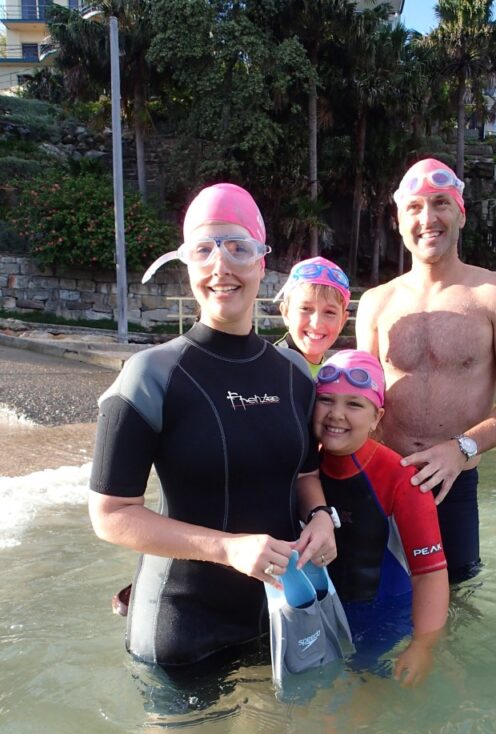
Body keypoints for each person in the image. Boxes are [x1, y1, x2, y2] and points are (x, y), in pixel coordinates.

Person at [88, 183, 338, 674]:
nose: (221, 265)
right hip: (182, 624)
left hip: (278, 616)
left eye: (237, 247)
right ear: (187, 265)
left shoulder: (293, 374)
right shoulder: (150, 375)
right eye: (204, 250)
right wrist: (227, 548)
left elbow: (306, 474)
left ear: (262, 262)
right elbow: (111, 515)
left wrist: (322, 516)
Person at [356, 158, 496, 584]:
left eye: (440, 203)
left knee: (456, 605)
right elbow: (363, 402)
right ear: (399, 221)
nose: (428, 219)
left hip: (452, 485)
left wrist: (461, 449)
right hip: (382, 481)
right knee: (373, 601)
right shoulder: (375, 302)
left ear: (461, 213)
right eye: (414, 207)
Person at [313, 349, 449, 687]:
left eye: (354, 404)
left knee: (364, 705)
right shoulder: (303, 467)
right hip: (322, 613)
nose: (336, 414)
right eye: (326, 400)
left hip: (384, 618)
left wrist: (422, 646)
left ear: (377, 417)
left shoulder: (401, 479)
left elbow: (430, 573)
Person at [273, 256, 350, 377]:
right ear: (286, 313)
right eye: (305, 309)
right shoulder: (269, 368)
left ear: (342, 321)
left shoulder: (332, 375)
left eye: (329, 312)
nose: (316, 323)